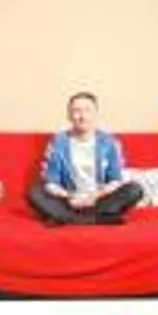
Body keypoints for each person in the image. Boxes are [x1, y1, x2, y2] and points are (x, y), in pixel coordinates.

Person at [26, 91, 145, 226]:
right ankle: (96, 220)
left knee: (135, 189)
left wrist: (94, 196)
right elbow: (51, 182)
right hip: (69, 201)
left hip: (99, 201)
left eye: (88, 110)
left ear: (96, 114)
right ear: (69, 115)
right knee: (34, 192)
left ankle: (65, 219)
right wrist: (70, 196)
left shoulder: (109, 142)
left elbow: (115, 179)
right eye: (76, 111)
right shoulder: (59, 142)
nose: (82, 116)